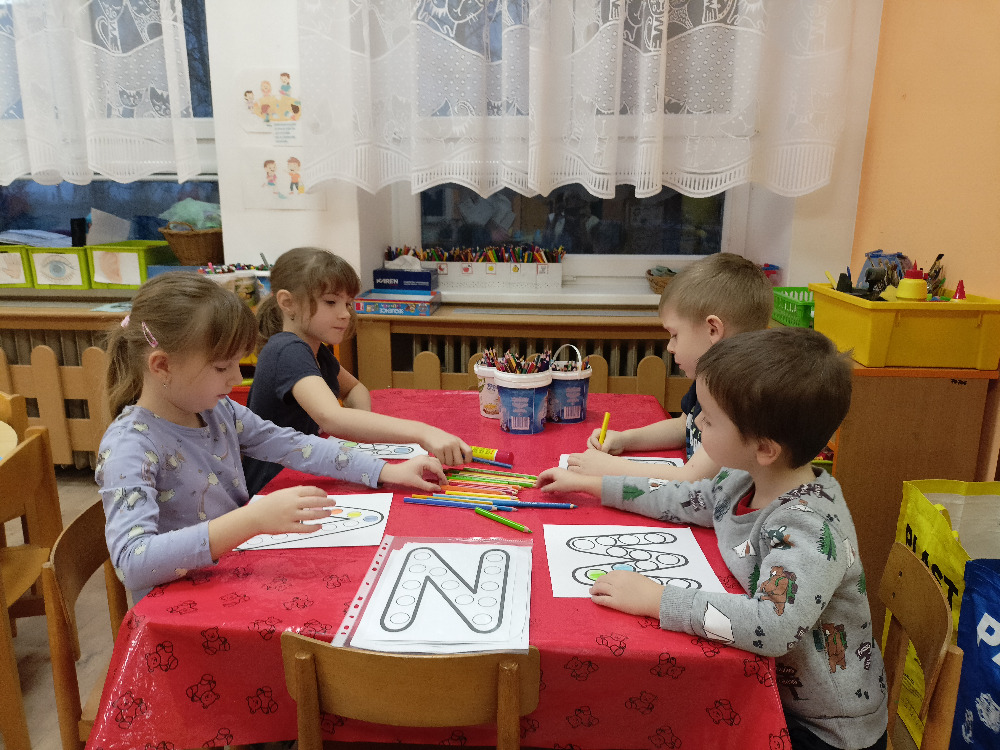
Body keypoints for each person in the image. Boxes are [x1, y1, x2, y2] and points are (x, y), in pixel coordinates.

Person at [535, 327, 888, 750]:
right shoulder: (745, 477)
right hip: (779, 695)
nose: (696, 423)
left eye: (710, 419)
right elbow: (685, 498)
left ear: (765, 448)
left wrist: (657, 599)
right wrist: (594, 485)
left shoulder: (808, 528)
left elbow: (772, 625)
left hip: (822, 729)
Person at [98, 272, 446, 600]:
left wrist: (385, 471)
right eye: (221, 367)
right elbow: (132, 563)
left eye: (237, 363)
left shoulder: (218, 411)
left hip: (231, 581)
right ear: (162, 366)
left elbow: (296, 445)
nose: (237, 379)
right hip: (176, 610)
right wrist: (253, 519)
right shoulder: (130, 446)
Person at [244, 247, 471, 495]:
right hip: (272, 489)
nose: (345, 314)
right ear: (288, 303)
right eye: (331, 302)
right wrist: (423, 432)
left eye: (348, 303)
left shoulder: (316, 351)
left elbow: (354, 389)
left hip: (305, 475)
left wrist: (360, 433)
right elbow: (332, 417)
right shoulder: (287, 350)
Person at [569, 252, 773, 482]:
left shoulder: (738, 399)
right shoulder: (709, 378)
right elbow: (684, 426)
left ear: (712, 330)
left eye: (675, 335)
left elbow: (692, 477)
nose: (670, 347)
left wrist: (610, 467)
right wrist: (624, 439)